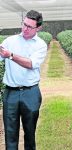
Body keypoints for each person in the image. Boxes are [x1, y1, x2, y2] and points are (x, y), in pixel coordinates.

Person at [0, 10, 47, 150]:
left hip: (30, 93)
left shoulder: (40, 45)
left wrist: (11, 55)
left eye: (29, 27)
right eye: (24, 24)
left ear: (38, 28)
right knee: (10, 134)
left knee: (30, 133)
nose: (25, 29)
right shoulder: (10, 41)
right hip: (11, 93)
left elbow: (31, 64)